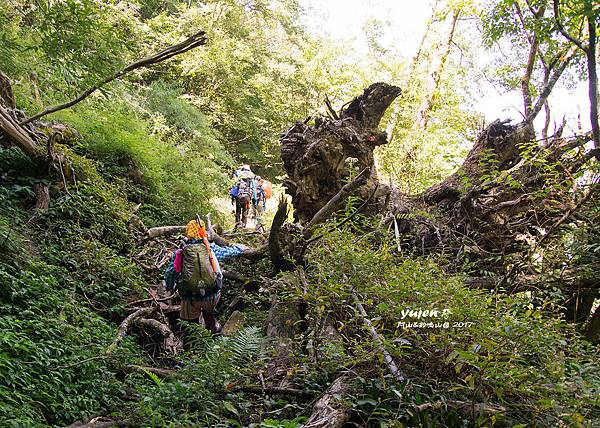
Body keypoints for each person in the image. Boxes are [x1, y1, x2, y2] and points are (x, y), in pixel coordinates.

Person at [163, 217, 247, 334]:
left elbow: (171, 273)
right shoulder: (209, 248)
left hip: (190, 297)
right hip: (212, 294)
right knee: (208, 312)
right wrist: (239, 248)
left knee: (190, 324)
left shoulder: (181, 252)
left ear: (188, 232)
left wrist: (169, 287)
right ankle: (213, 329)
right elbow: (227, 253)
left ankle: (193, 342)